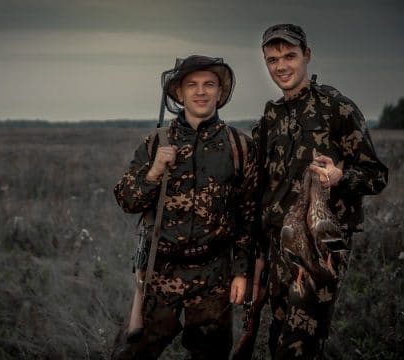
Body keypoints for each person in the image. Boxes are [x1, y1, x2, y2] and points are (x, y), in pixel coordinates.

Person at [252, 24, 388, 358]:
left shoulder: (336, 108)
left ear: (306, 56)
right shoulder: (271, 117)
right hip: (278, 250)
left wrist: (340, 177)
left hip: (320, 251)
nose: (281, 66)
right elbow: (260, 187)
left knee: (297, 347)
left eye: (289, 56)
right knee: (277, 340)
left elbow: (376, 175)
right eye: (273, 60)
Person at [110, 55, 258, 359]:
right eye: (192, 85)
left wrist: (241, 272)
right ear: (179, 93)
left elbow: (248, 214)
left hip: (214, 276)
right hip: (160, 272)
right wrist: (153, 172)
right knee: (132, 352)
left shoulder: (238, 145)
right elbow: (126, 200)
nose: (200, 91)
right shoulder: (155, 143)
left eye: (209, 84)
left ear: (220, 91)